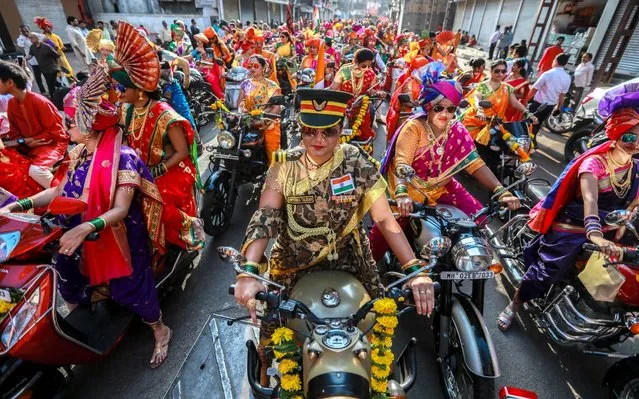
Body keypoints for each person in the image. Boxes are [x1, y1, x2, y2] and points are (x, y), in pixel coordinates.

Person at [234, 88, 435, 379]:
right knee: (272, 341)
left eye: (328, 132)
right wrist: (250, 271)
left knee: (379, 331)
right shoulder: (284, 164)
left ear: (341, 130)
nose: (318, 140)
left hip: (351, 259)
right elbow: (266, 216)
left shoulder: (355, 161)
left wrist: (415, 270)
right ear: (299, 128)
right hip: (292, 262)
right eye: (310, 131)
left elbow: (383, 218)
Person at [0, 66, 172, 367]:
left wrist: (84, 229)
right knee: (65, 272)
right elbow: (57, 192)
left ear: (89, 127)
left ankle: (160, 329)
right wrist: (20, 205)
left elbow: (119, 210)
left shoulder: (123, 159)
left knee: (129, 287)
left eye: (72, 122)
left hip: (118, 235)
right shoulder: (80, 153)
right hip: (78, 230)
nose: (66, 126)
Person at [497, 106, 639, 331]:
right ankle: (515, 304)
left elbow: (633, 205)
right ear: (616, 133)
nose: (635, 143)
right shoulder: (593, 164)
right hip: (577, 225)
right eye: (630, 136)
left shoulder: (635, 168)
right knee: (548, 271)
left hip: (612, 228)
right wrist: (595, 235)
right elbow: (590, 201)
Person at [369, 62, 521, 261]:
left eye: (451, 109)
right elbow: (402, 164)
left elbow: (475, 164)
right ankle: (368, 269)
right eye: (439, 107)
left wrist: (502, 191)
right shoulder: (414, 127)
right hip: (407, 190)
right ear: (428, 106)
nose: (445, 114)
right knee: (385, 234)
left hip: (442, 188)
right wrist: (402, 194)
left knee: (479, 219)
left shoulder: (457, 129)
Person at [109, 22, 204, 251]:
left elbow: (182, 153)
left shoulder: (165, 115)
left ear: (140, 90)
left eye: (123, 89)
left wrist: (156, 171)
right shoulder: (125, 109)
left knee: (151, 202)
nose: (118, 93)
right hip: (139, 170)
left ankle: (190, 227)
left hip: (170, 171)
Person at [0, 61, 69, 189]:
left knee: (36, 171)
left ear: (10, 83)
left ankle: (64, 194)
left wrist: (31, 140)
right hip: (27, 146)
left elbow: (57, 132)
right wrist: (25, 141)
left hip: (51, 144)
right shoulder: (12, 103)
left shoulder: (39, 101)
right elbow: (15, 134)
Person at [459, 60, 535, 148]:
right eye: (497, 71)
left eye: (503, 71)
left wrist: (527, 113)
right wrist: (480, 111)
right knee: (466, 147)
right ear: (491, 71)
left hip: (495, 123)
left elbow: (514, 102)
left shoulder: (507, 88)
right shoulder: (483, 86)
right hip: (476, 121)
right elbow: (477, 98)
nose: (500, 74)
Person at [329, 49, 382, 143]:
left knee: (366, 136)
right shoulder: (345, 71)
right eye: (364, 65)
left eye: (369, 65)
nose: (367, 68)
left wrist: (378, 93)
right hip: (343, 108)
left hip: (361, 107)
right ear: (356, 61)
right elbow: (333, 88)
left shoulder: (370, 73)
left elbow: (372, 90)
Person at [237, 55, 281, 162]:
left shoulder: (271, 85)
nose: (252, 68)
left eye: (255, 66)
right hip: (247, 121)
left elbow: (276, 108)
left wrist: (262, 118)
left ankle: (274, 174)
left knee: (273, 152)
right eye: (250, 65)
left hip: (267, 121)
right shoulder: (245, 84)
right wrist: (243, 112)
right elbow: (240, 103)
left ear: (263, 68)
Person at [386, 55, 430, 141]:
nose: (425, 71)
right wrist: (419, 105)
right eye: (422, 69)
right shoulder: (410, 82)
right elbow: (406, 101)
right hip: (406, 117)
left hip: (420, 118)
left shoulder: (426, 82)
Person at [528, 53, 571, 137]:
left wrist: (525, 101)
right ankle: (532, 141)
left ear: (555, 61)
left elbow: (534, 89)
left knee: (529, 122)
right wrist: (559, 107)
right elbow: (562, 95)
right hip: (550, 105)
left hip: (538, 104)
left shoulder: (548, 74)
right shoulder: (567, 77)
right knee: (538, 123)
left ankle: (525, 142)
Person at [16, 25, 46, 94]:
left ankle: (55, 85)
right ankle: (42, 91)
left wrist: (40, 43)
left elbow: (44, 37)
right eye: (23, 31)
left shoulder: (33, 35)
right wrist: (22, 36)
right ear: (21, 32)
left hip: (41, 58)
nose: (26, 33)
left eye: (27, 31)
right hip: (33, 60)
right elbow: (20, 46)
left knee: (46, 73)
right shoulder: (21, 39)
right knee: (38, 76)